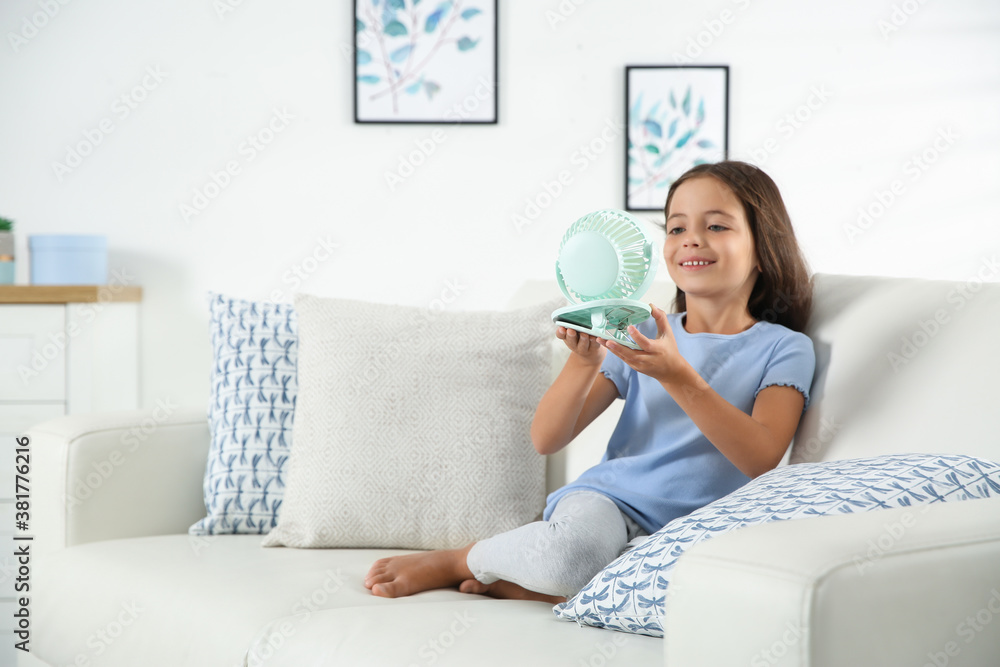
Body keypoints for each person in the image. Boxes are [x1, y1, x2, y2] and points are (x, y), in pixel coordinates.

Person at [364, 160, 816, 604]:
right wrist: (583, 364)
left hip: (696, 528)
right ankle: (464, 560)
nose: (691, 239)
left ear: (763, 246)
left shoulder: (784, 348)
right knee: (573, 555)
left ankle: (531, 585)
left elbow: (761, 457)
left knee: (689, 591)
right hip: (609, 505)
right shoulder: (638, 333)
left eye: (716, 226)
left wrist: (678, 377)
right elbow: (546, 438)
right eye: (676, 228)